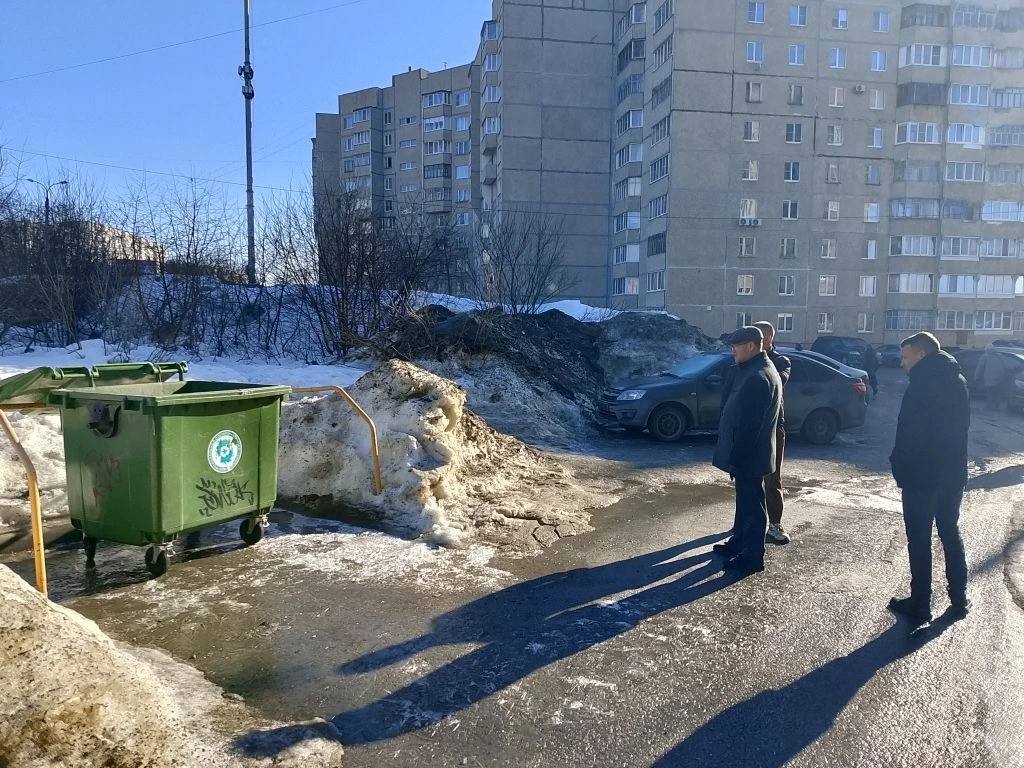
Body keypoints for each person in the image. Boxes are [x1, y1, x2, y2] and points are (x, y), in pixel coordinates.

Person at [888, 332, 970, 624]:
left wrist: (899, 466)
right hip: (952, 475)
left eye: (905, 357)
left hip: (922, 477)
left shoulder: (920, 386)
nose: (901, 363)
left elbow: (910, 435)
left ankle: (921, 603)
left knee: (919, 540)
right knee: (949, 530)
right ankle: (959, 597)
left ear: (921, 355)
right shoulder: (958, 381)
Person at [711, 326, 782, 574]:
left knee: (753, 505)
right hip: (749, 454)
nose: (732, 351)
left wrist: (737, 458)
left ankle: (752, 556)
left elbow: (751, 426)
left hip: (750, 455)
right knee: (745, 502)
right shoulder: (751, 369)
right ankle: (739, 543)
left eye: (736, 346)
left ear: (751, 346)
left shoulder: (758, 376)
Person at [753, 321, 792, 545]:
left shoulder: (780, 361)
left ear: (767, 339)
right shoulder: (747, 362)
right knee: (748, 478)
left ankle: (775, 526)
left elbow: (779, 379)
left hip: (774, 428)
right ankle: (748, 522)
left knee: (772, 478)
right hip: (752, 427)